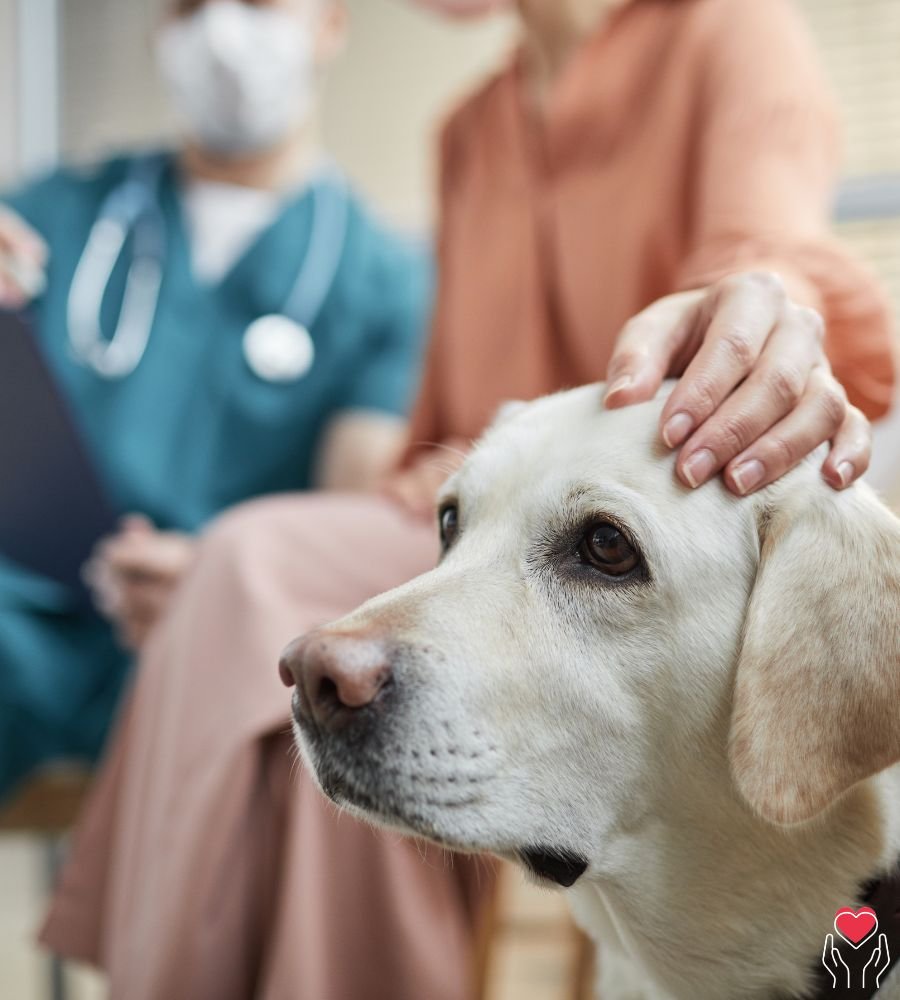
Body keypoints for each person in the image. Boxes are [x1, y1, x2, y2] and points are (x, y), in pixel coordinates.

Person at [41, 1, 895, 998]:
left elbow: (767, 245)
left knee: (254, 573)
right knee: (246, 586)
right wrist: (265, 565)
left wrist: (759, 309)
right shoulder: (469, 130)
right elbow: (443, 443)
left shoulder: (726, 32)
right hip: (472, 525)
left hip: (671, 512)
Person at [0, 0, 429, 798]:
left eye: (259, 3)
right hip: (23, 634)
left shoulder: (385, 283)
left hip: (223, 649)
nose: (222, 32)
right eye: (190, 6)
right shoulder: (57, 216)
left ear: (330, 22)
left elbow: (345, 524)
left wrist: (218, 587)